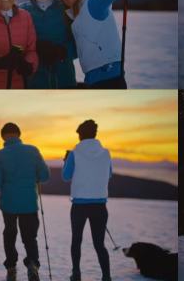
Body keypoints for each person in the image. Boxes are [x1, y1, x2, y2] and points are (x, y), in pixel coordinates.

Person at [0, 122, 50, 281]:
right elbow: (44, 176)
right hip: (29, 202)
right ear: (19, 134)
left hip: (8, 203)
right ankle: (33, 264)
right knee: (30, 236)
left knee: (10, 232)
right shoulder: (33, 151)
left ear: (3, 136)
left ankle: (11, 266)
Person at [62, 120, 113, 281]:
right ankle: (106, 276)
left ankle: (76, 274)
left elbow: (65, 176)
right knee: (99, 244)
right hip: (100, 206)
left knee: (76, 240)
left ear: (80, 135)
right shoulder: (106, 153)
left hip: (79, 206)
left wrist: (66, 161)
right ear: (95, 134)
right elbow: (109, 174)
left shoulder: (74, 154)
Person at [19, 0, 78, 88]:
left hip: (64, 78)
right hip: (34, 80)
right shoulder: (21, 11)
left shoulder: (67, 8)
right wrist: (34, 50)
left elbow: (82, 41)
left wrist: (63, 52)